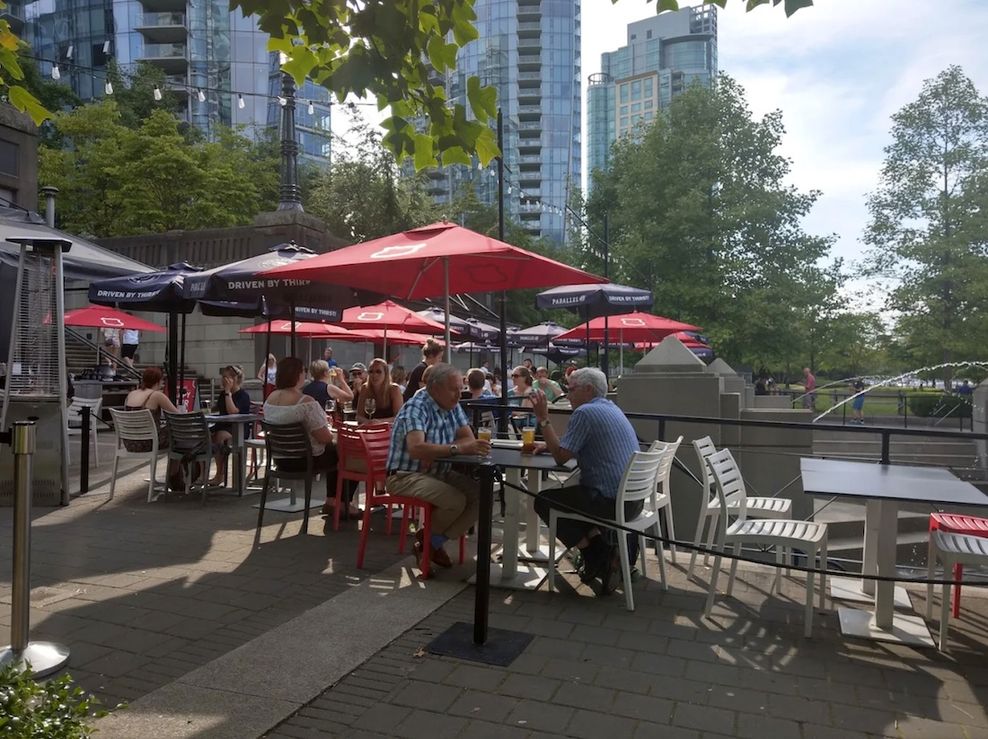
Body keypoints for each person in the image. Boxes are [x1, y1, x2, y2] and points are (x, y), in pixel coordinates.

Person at [530, 367, 641, 595]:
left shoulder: (585, 413)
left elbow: (561, 457)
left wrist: (543, 418)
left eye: (571, 389)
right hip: (633, 500)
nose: (567, 395)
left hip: (611, 502)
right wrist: (550, 445)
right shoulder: (611, 408)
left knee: (544, 501)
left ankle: (595, 554)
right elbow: (571, 446)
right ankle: (601, 552)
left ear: (588, 389)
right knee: (569, 498)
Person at [386, 363, 490, 574]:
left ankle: (429, 543)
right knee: (456, 501)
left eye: (460, 388)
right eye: (453, 389)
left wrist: (436, 450)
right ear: (434, 388)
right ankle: (430, 545)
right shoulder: (416, 407)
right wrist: (452, 448)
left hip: (437, 471)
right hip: (405, 475)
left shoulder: (451, 404)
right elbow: (417, 449)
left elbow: (468, 438)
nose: (459, 394)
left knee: (483, 496)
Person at [263, 357, 338, 485]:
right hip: (306, 461)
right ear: (298, 375)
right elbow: (325, 438)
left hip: (280, 460)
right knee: (346, 455)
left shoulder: (269, 399)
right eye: (304, 370)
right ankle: (335, 496)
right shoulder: (306, 402)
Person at [124, 367, 183, 487]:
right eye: (162, 380)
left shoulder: (131, 394)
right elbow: (177, 416)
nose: (163, 382)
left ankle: (175, 476)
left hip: (130, 442)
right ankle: (174, 476)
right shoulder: (156, 395)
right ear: (158, 381)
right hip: (149, 442)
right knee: (179, 432)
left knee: (174, 434)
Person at [208, 365, 251, 486]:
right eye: (222, 377)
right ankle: (201, 474)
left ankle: (220, 474)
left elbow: (233, 412)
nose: (223, 380)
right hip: (222, 425)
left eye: (225, 377)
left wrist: (228, 392)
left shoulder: (243, 395)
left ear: (234, 379)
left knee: (219, 436)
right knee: (204, 434)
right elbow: (219, 409)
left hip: (237, 429)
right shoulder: (222, 394)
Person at [356, 358, 403, 424]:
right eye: (371, 372)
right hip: (369, 428)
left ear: (385, 374)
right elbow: (359, 416)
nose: (374, 375)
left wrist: (380, 422)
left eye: (378, 372)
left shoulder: (394, 389)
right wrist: (369, 422)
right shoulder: (365, 388)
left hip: (389, 429)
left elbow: (399, 417)